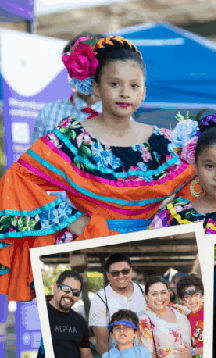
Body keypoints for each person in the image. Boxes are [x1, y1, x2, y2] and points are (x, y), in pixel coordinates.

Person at [0, 35, 195, 302]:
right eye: (114, 84)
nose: (125, 92)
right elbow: (19, 178)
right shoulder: (73, 138)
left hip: (151, 255)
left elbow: (194, 184)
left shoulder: (164, 141)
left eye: (134, 85)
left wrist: (168, 222)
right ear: (97, 88)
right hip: (89, 254)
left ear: (144, 91)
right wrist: (74, 221)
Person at [33, 33, 104, 142]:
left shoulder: (121, 118)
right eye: (79, 63)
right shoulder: (48, 114)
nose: (88, 70)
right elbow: (35, 158)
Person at [47, 270, 98, 358]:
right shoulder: (41, 313)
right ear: (55, 287)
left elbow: (86, 356)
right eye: (66, 289)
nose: (70, 295)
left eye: (75, 293)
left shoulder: (79, 320)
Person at [138, 277, 194, 358]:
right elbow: (149, 357)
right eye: (154, 294)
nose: (160, 298)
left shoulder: (180, 310)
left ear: (169, 292)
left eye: (163, 292)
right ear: (145, 296)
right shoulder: (145, 319)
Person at [89, 254, 147, 358]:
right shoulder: (100, 299)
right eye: (115, 273)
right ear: (108, 276)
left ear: (131, 271)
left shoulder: (145, 292)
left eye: (125, 271)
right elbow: (102, 343)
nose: (121, 276)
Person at [177, 274, 205, 358]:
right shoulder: (187, 318)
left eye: (196, 295)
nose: (193, 300)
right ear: (182, 300)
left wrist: (193, 351)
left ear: (202, 295)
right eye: (187, 297)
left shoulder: (207, 313)